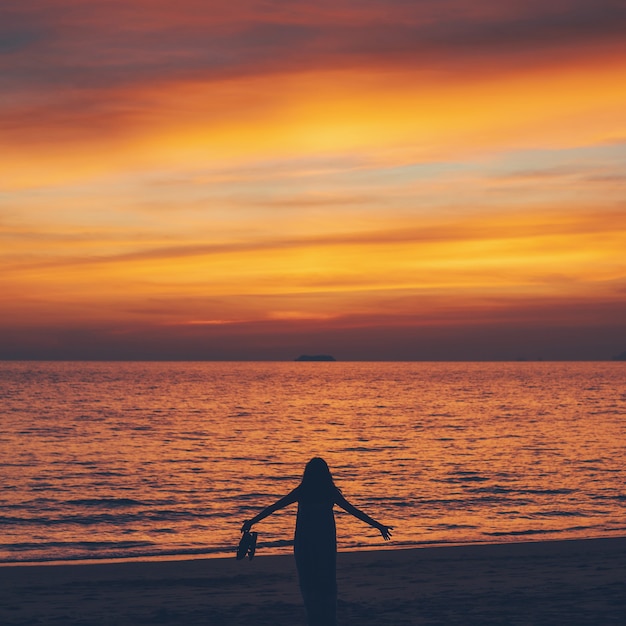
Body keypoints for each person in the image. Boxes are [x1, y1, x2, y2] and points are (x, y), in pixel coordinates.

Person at [241, 457, 393, 626]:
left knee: (308, 578)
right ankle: (329, 616)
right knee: (326, 578)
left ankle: (313, 615)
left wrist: (252, 522)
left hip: (304, 541)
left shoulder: (303, 491)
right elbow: (354, 511)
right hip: (325, 542)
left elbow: (274, 507)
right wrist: (378, 526)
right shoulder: (330, 492)